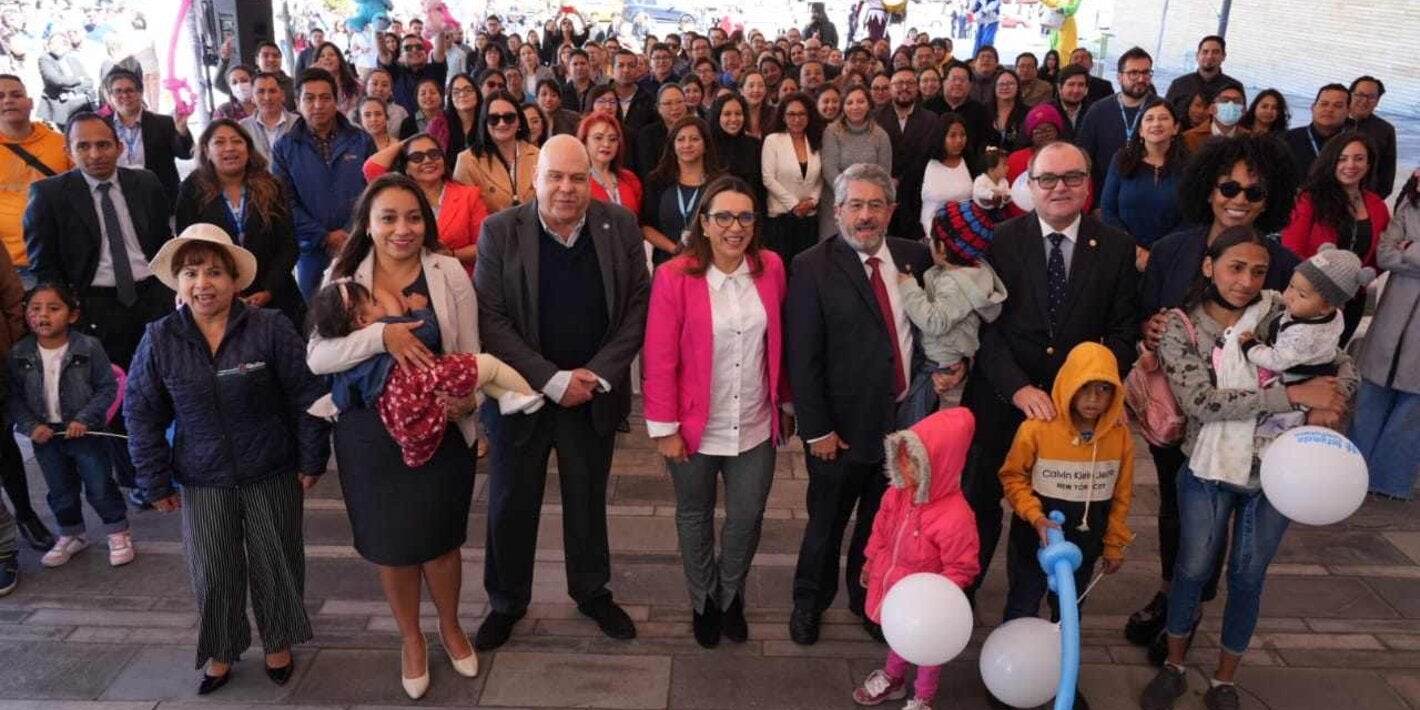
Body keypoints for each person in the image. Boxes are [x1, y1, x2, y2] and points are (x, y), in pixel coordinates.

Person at [1138, 227, 1355, 710]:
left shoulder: (1281, 310)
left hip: (1278, 472)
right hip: (1208, 468)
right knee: (1191, 569)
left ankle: (1224, 680)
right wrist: (1296, 395)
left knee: (1248, 576)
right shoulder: (1182, 326)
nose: (1246, 281)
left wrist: (1336, 396)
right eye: (1236, 267)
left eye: (1258, 271)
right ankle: (1174, 665)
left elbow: (1339, 363)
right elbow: (1201, 402)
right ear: (1209, 266)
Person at [126, 224, 329, 695]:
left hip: (272, 469)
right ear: (178, 282)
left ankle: (279, 642)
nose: (204, 283)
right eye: (192, 272)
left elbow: (306, 394)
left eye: (215, 272)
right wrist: (154, 481)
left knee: (276, 561)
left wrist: (312, 458)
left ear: (234, 280)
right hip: (203, 475)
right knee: (212, 568)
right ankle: (221, 650)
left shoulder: (270, 327)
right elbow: (140, 411)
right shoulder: (159, 338)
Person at [305, 174, 481, 698]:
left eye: (412, 217)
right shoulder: (341, 275)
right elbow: (318, 355)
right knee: (392, 546)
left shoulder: (447, 271)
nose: (401, 229)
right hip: (368, 434)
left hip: (441, 423)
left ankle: (450, 627)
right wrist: (380, 335)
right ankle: (411, 639)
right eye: (388, 218)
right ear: (368, 223)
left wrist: (470, 402)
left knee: (441, 541)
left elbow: (470, 352)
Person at [1129, 135, 1301, 663]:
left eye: (1254, 191)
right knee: (1176, 509)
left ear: (1269, 200)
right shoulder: (1172, 251)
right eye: (1229, 186)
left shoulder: (1285, 263)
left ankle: (1193, 604)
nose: (1240, 198)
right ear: (1207, 189)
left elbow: (1312, 332)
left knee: (1219, 514)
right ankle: (1169, 590)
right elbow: (1142, 313)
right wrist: (1149, 326)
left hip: (1243, 428)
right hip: (1173, 412)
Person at [473, 135, 649, 650]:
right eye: (556, 177)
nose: (567, 188)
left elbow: (637, 305)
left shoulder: (620, 228)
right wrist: (552, 380)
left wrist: (594, 374)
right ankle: (506, 601)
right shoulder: (499, 231)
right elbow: (492, 319)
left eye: (577, 177)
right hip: (521, 396)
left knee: (587, 497)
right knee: (510, 501)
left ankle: (592, 591)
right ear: (535, 178)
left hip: (591, 395)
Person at [958, 141, 1138, 607]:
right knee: (979, 505)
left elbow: (1123, 332)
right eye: (1048, 179)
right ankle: (963, 594)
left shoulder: (1115, 248)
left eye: (1072, 177)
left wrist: (1084, 393)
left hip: (1077, 418)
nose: (1060, 188)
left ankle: (1055, 622)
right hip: (1001, 402)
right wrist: (1018, 388)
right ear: (1029, 186)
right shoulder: (998, 241)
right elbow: (984, 329)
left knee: (1058, 519)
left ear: (1088, 183)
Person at [787, 162, 934, 645]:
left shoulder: (916, 257)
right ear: (838, 210)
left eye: (876, 205)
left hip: (903, 426)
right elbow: (801, 357)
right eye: (856, 205)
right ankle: (809, 601)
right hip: (839, 430)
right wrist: (817, 431)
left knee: (881, 523)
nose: (866, 216)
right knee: (825, 524)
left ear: (892, 210)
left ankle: (864, 598)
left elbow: (933, 329)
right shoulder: (811, 265)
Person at [643, 175, 790, 647]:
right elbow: (660, 357)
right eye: (723, 216)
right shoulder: (675, 276)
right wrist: (664, 428)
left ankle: (731, 595)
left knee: (746, 518)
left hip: (754, 423)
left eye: (745, 216)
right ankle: (703, 598)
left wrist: (785, 403)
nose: (735, 226)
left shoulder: (771, 267)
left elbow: (781, 343)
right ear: (703, 223)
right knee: (694, 514)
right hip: (692, 427)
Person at [999, 343, 1133, 706]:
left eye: (1103, 389)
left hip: (1083, 550)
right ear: (1068, 385)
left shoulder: (1119, 437)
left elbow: (1121, 494)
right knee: (1022, 605)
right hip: (1033, 543)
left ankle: (1063, 679)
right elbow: (1012, 477)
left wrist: (1114, 543)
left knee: (1068, 617)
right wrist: (1035, 516)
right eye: (1084, 388)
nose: (1093, 399)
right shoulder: (1037, 429)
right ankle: (1009, 679)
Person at [306, 279, 540, 466]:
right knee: (488, 364)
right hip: (425, 380)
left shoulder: (347, 362)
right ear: (362, 319)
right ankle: (526, 396)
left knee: (477, 374)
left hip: (400, 415)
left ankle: (508, 397)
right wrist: (419, 310)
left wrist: (333, 404)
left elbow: (344, 395)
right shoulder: (384, 326)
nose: (381, 305)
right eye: (375, 302)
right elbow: (428, 333)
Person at [850, 408, 980, 710]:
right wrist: (870, 562)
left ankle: (923, 697)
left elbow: (962, 565)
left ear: (939, 466)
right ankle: (894, 677)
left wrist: (938, 599)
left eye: (916, 462)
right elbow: (880, 532)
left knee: (928, 650)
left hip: (928, 600)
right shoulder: (896, 495)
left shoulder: (956, 517)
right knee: (899, 634)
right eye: (903, 458)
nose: (905, 467)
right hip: (895, 582)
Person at [24, 113, 174, 368]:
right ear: (68, 151)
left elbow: (164, 242)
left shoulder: (145, 183)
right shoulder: (49, 195)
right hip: (93, 307)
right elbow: (43, 264)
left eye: (103, 145)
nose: (95, 154)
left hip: (153, 299)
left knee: (165, 375)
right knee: (112, 389)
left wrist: (169, 292)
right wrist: (70, 312)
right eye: (83, 146)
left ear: (119, 146)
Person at [7, 283, 130, 567]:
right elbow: (13, 397)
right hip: (45, 436)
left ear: (72, 314)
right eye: (35, 309)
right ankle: (72, 533)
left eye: (53, 308)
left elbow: (107, 388)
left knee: (100, 484)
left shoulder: (88, 347)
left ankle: (118, 530)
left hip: (85, 433)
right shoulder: (19, 353)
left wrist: (84, 419)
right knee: (60, 490)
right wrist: (30, 426)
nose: (43, 315)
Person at [175, 119, 303, 326]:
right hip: (215, 299)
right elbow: (187, 249)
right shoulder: (192, 190)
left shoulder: (271, 186)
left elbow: (289, 245)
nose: (229, 148)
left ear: (248, 148)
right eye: (219, 142)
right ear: (206, 150)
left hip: (275, 295)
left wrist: (268, 290)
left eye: (237, 141)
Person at [1242, 244, 1373, 438]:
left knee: (1280, 425)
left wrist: (1250, 347)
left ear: (1326, 307)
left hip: (1299, 384)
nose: (1289, 296)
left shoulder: (1305, 334)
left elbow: (1277, 360)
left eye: (1301, 295)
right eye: (1291, 286)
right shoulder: (1328, 316)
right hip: (1318, 373)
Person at [272, 68, 376, 299]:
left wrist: (351, 232)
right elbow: (284, 202)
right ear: (297, 104)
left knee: (365, 311)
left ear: (336, 100)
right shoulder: (284, 147)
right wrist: (324, 236)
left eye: (325, 97)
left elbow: (374, 192)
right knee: (317, 320)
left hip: (359, 244)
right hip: (312, 250)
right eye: (309, 98)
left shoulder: (361, 140)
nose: (317, 105)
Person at [1281, 132, 1389, 342]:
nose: (1351, 165)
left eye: (1359, 158)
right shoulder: (1310, 198)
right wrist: (1325, 290)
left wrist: (1353, 286)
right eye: (1343, 158)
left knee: (1332, 362)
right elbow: (1292, 248)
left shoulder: (1377, 205)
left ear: (1369, 164)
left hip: (1351, 301)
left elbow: (1379, 255)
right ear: (1331, 161)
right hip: (1308, 298)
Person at [1352, 169, 1420, 499]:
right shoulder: (1408, 206)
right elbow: (1385, 254)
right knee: (1371, 392)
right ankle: (1351, 470)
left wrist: (1410, 249)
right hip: (1393, 315)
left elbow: (1399, 253)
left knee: (1414, 406)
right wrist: (1402, 250)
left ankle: (1390, 481)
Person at [902, 193, 1008, 383]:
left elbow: (935, 321)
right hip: (952, 358)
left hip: (939, 363)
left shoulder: (955, 284)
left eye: (930, 240)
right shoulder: (977, 271)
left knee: (919, 410)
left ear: (941, 247)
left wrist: (907, 286)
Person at [364, 132, 488, 277]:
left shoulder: (469, 195)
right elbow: (371, 168)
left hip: (458, 279)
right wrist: (411, 140)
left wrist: (452, 254)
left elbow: (486, 245)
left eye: (434, 154)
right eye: (417, 157)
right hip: (409, 280)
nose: (428, 160)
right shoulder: (399, 196)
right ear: (406, 168)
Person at [0, 73, 70, 288]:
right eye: (0, 96)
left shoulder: (61, 143)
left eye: (16, 95)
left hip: (64, 256)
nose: (8, 100)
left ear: (30, 103)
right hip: (11, 265)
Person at [1102, 98, 1188, 266]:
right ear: (1140, 130)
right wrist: (1134, 250)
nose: (1156, 124)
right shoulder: (1122, 160)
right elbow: (1108, 210)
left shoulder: (1189, 166)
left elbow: (1191, 218)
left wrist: (1158, 253)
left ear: (1176, 128)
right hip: (1124, 254)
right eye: (1149, 119)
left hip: (1172, 257)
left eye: (1163, 118)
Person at [103, 68, 193, 210]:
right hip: (116, 199)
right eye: (118, 91)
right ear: (110, 96)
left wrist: (181, 129)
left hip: (157, 200)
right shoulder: (101, 126)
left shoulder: (162, 122)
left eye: (130, 90)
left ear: (140, 93)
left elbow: (186, 154)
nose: (125, 95)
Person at [644, 116, 722, 266]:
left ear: (706, 144)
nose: (687, 145)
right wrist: (675, 250)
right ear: (672, 145)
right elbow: (646, 226)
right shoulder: (657, 181)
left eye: (694, 139)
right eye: (680, 140)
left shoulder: (719, 183)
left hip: (711, 262)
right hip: (668, 262)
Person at [1075, 47, 1153, 194]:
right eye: (1133, 73)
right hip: (1103, 193)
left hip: (1147, 196)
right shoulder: (1098, 110)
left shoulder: (1161, 111)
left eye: (1146, 73)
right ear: (1119, 77)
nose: (1141, 79)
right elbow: (1083, 157)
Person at [877, 68, 941, 240]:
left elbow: (927, 156)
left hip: (917, 196)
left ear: (917, 87)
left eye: (910, 83)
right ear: (890, 88)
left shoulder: (931, 119)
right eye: (899, 83)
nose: (904, 87)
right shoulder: (876, 118)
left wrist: (901, 179)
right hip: (883, 194)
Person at [453, 90, 539, 214]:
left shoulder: (539, 156)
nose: (502, 123)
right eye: (494, 119)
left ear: (519, 120)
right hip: (489, 231)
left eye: (509, 117)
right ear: (484, 122)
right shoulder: (467, 161)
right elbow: (465, 214)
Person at [822, 85, 891, 239]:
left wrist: (864, 200)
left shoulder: (881, 135)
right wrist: (851, 198)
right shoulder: (832, 131)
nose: (855, 107)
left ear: (868, 104)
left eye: (860, 101)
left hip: (870, 205)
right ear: (843, 106)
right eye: (849, 102)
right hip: (838, 203)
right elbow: (829, 170)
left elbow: (884, 175)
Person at [761, 93, 823, 266]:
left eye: (802, 114)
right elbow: (768, 178)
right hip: (781, 217)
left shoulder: (815, 141)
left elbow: (820, 177)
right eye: (791, 114)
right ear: (783, 116)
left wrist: (812, 201)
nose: (797, 119)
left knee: (807, 269)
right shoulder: (773, 140)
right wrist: (795, 205)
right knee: (782, 269)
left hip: (809, 217)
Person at [918, 113, 976, 234]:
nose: (959, 140)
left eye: (962, 135)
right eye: (953, 136)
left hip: (966, 234)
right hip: (929, 235)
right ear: (941, 137)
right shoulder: (924, 163)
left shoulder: (971, 162)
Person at [1282, 83, 1349, 188]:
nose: (1329, 109)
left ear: (1347, 112)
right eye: (1324, 104)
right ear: (1313, 107)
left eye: (1338, 106)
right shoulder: (1287, 139)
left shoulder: (1355, 145)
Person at [580, 114, 643, 216]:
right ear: (584, 141)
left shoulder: (630, 179)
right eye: (598, 138)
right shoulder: (578, 181)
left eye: (612, 139)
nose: (606, 144)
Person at [1346, 76, 1397, 199]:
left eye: (1371, 97)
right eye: (1360, 95)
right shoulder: (1335, 121)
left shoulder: (1385, 130)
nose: (1364, 101)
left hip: (1364, 200)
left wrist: (1373, 201)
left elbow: (1387, 174)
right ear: (1350, 95)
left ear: (1377, 101)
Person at [708, 93, 764, 202]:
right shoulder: (707, 147)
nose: (733, 119)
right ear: (717, 116)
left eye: (738, 114)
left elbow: (760, 188)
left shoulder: (756, 146)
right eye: (727, 114)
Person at [382, 27, 448, 116]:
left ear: (425, 53)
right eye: (408, 48)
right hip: (406, 126)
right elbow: (383, 55)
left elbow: (440, 51)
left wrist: (438, 27)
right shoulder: (396, 73)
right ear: (401, 55)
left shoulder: (435, 70)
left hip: (435, 125)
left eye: (419, 47)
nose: (415, 50)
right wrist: (378, 28)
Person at [1162, 35, 1243, 107]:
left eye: (1215, 52)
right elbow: (1167, 114)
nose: (1209, 56)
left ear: (1223, 56)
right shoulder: (1179, 84)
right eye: (1205, 51)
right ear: (1197, 56)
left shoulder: (1234, 87)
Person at [36, 31, 93, 129]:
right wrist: (78, 80)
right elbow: (56, 80)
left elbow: (89, 81)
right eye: (53, 43)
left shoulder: (72, 58)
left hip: (81, 103)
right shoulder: (45, 59)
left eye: (60, 42)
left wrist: (75, 90)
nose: (57, 46)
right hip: (61, 105)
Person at [240, 72, 300, 164]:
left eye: (272, 91)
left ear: (282, 95)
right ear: (252, 97)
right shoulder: (243, 128)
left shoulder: (298, 123)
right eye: (260, 92)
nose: (267, 97)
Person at [218, 40, 295, 112]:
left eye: (275, 56)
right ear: (257, 60)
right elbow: (219, 83)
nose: (271, 59)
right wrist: (224, 61)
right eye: (265, 55)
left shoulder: (293, 84)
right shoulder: (248, 83)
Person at [632, 83, 689, 180]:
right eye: (668, 103)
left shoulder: (696, 130)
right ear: (658, 108)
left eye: (679, 102)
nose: (675, 108)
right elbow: (647, 173)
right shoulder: (647, 135)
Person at [1181, 85, 1247, 152]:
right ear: (1211, 108)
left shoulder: (1249, 139)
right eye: (1224, 100)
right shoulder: (1188, 138)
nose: (1230, 105)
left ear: (1244, 111)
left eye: (1237, 101)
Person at [349, 68, 410, 134]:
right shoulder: (352, 115)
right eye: (375, 84)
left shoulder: (400, 112)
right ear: (366, 87)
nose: (379, 89)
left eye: (385, 85)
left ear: (391, 90)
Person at [986, 69, 1026, 152]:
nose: (1005, 87)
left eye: (1010, 84)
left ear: (1018, 87)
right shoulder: (983, 111)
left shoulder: (1027, 113)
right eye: (1001, 84)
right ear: (994, 87)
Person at [1051, 64, 1091, 141]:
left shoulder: (1094, 111)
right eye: (1071, 84)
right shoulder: (1046, 111)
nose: (1076, 90)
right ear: (1059, 88)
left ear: (1086, 89)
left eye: (1081, 85)